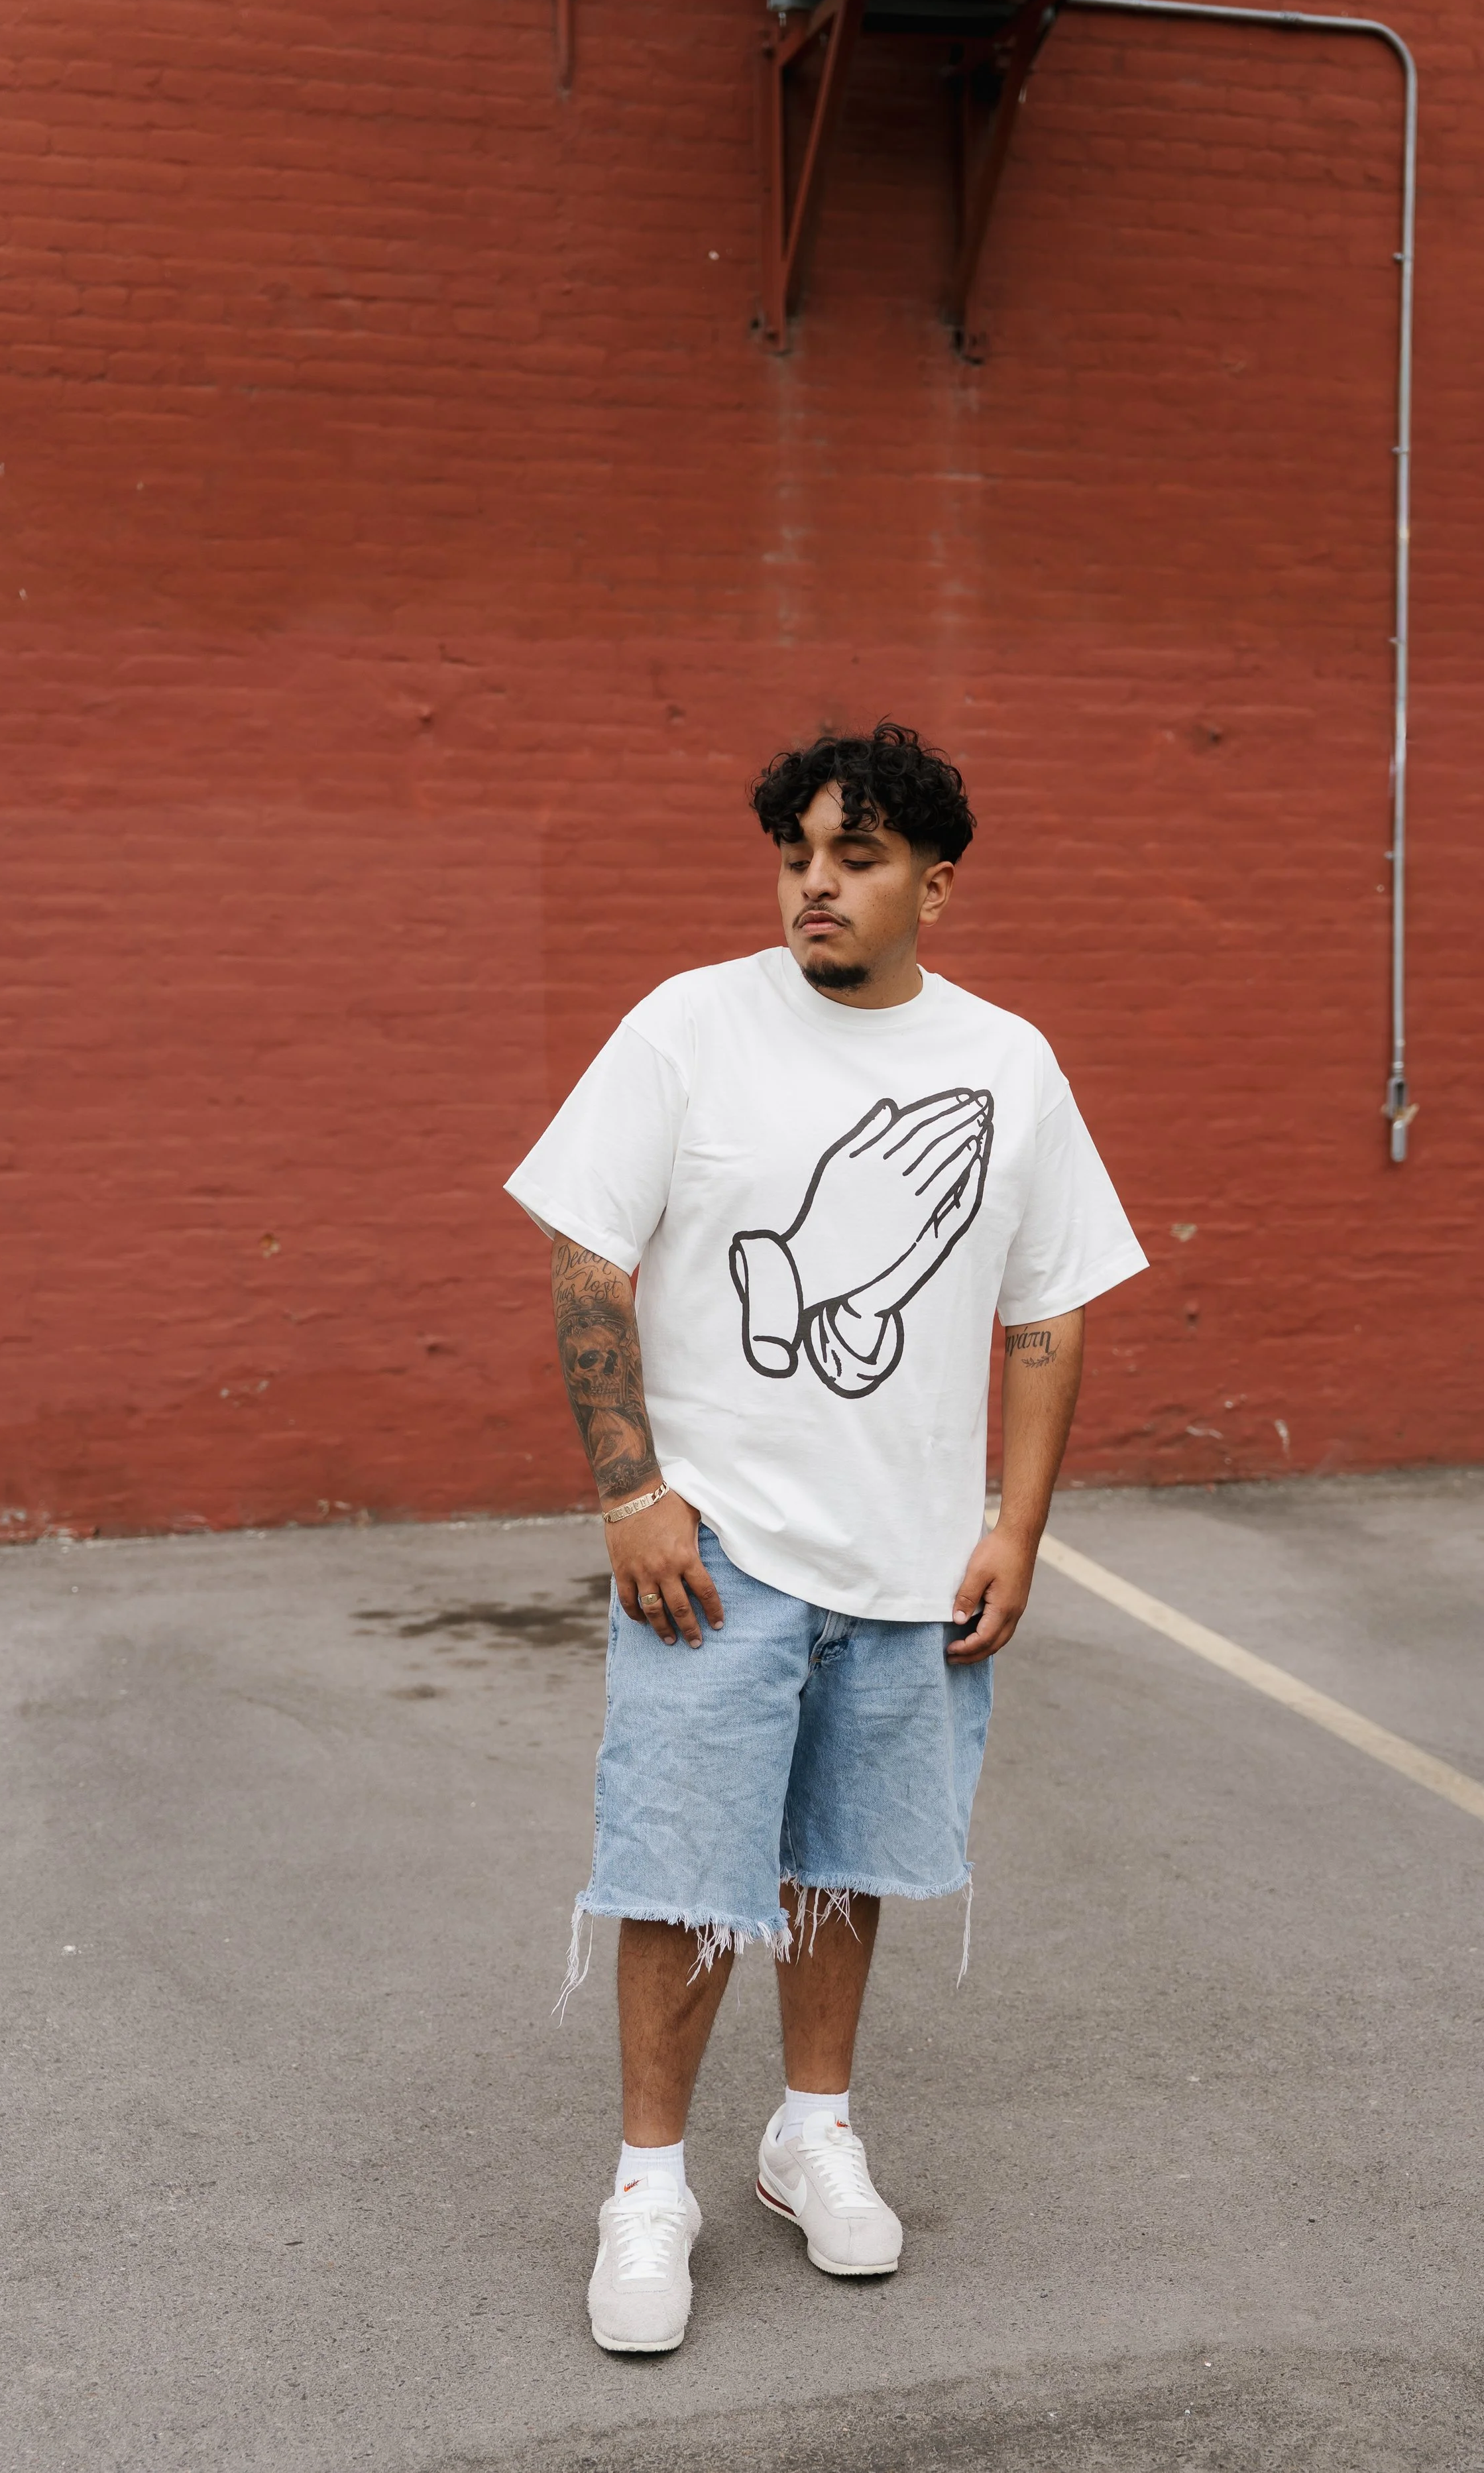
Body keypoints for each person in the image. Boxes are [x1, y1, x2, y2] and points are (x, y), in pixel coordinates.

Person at [504, 721, 1146, 2354]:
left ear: (936, 881)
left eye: (853, 859)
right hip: (717, 1550)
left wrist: (1017, 1523)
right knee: (681, 1865)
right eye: (796, 854)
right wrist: (632, 1493)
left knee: (844, 1862)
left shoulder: (1009, 1063)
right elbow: (590, 1262)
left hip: (911, 1553)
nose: (814, 884)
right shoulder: (687, 1028)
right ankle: (649, 2183)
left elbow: (1047, 1313)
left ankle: (810, 2131)